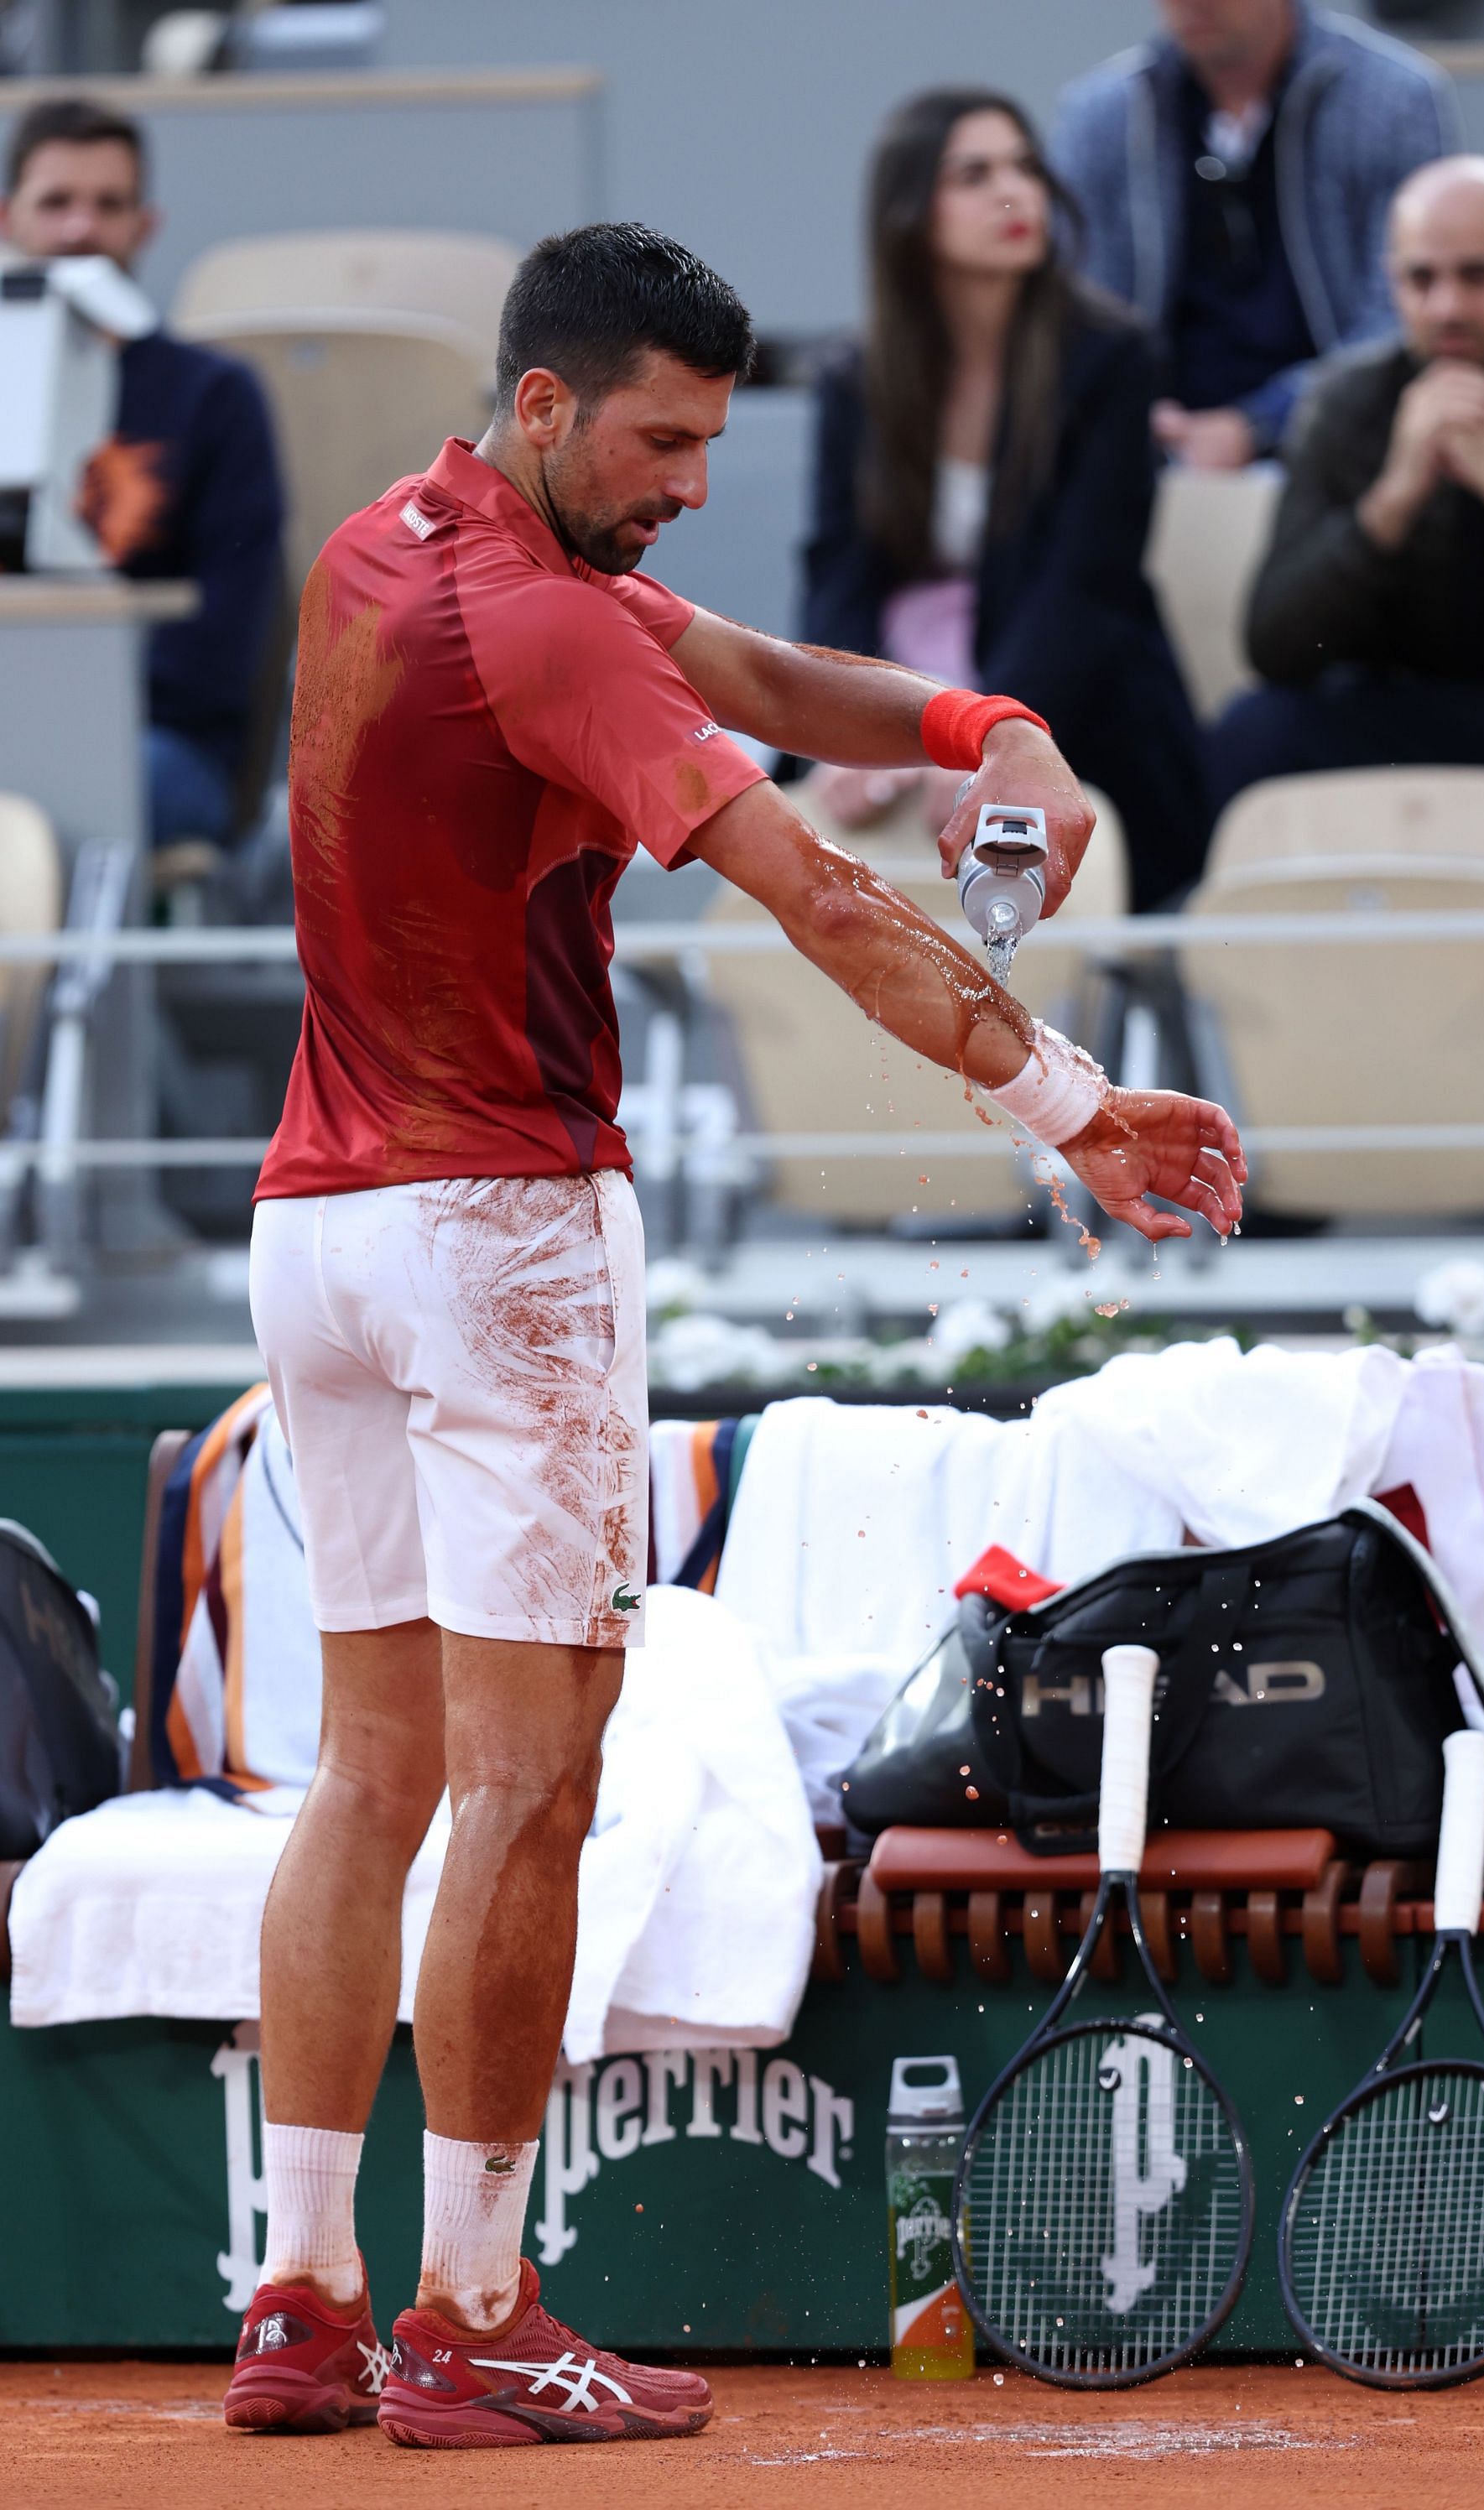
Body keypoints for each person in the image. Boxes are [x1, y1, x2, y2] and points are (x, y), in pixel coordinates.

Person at [228, 220, 1245, 2449]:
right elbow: (825, 897)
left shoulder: (396, 548)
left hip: (315, 1231)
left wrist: (995, 718)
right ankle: (475, 2314)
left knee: (372, 1772)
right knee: (530, 1783)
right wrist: (1075, 1109)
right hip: (500, 1237)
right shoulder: (555, 628)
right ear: (547, 409)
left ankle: (298, 2291)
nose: (695, 478)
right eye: (666, 442)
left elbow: (777, 676)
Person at [803, 87, 1207, 913]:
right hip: (905, 689)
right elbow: (839, 573)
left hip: (1072, 690)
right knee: (811, 821)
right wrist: (847, 728)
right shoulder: (856, 380)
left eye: (1025, 167)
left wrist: (981, 739)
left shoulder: (1111, 359)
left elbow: (1086, 588)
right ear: (912, 211)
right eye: (975, 174)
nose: (1014, 192)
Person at [1211, 158, 1484, 817]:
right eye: (1421, 279)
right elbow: (1277, 649)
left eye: (1478, 276)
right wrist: (1392, 501)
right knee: (1254, 732)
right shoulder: (1346, 401)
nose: (1447, 307)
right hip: (1397, 707)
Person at [0, 96, 284, 846]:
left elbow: (221, 645)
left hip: (163, 744)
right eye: (56, 202)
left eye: (107, 204)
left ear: (143, 226)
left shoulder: (213, 398)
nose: (80, 229)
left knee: (63, 811)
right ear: (9, 220)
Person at [1049, 0, 1456, 467]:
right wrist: (1132, 413)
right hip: (1151, 454)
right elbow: (1074, 310)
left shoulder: (1393, 99)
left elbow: (1406, 312)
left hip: (1342, 446)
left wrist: (1260, 424)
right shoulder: (1103, 113)